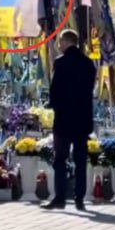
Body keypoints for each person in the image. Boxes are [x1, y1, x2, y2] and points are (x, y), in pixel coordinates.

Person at [43, 29, 96, 211]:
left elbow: (55, 89)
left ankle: (60, 197)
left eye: (60, 42)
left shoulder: (61, 63)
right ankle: (79, 198)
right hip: (82, 118)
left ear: (65, 42)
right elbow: (90, 89)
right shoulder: (88, 63)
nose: (59, 45)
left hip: (64, 118)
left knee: (60, 159)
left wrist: (53, 105)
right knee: (80, 160)